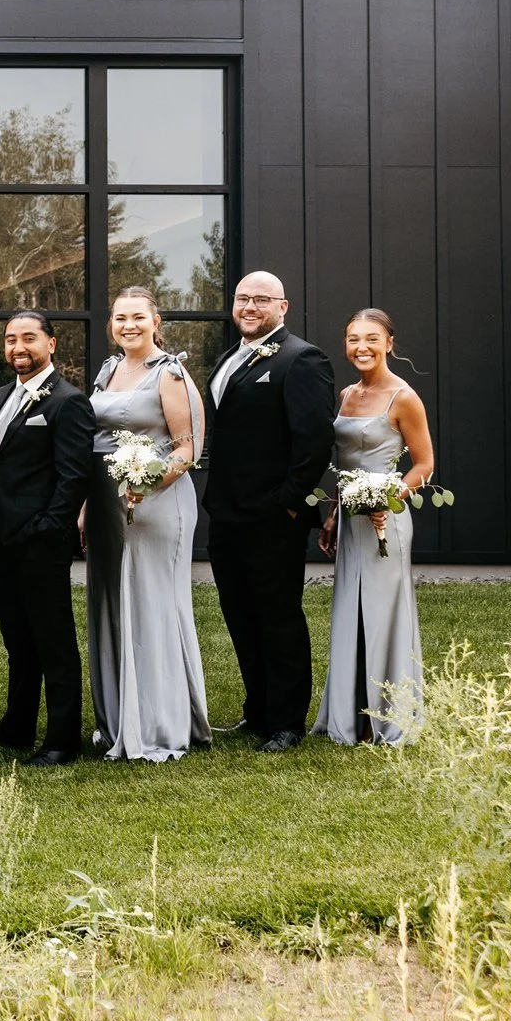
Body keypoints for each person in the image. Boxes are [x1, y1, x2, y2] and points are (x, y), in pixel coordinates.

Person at [203, 271, 335, 754]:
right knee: (240, 614)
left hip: (273, 515)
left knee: (278, 617)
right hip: (226, 513)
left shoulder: (302, 359)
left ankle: (286, 721)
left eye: (261, 299)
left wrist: (289, 503)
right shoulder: (229, 358)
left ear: (283, 307)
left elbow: (314, 439)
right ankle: (257, 709)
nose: (249, 306)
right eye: (243, 298)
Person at [83, 289, 210, 763]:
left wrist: (148, 483)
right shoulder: (108, 370)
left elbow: (187, 448)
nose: (129, 325)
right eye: (120, 318)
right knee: (112, 602)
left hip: (153, 504)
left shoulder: (170, 373)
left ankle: (159, 723)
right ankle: (118, 718)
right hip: (105, 505)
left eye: (138, 317)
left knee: (152, 603)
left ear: (156, 322)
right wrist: (86, 505)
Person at [315, 309, 435, 746]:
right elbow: (345, 464)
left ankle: (386, 714)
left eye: (371, 338)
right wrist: (333, 514)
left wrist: (389, 498)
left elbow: (424, 465)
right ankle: (351, 713)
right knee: (351, 609)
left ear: (389, 343)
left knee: (382, 614)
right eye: (353, 339)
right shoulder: (347, 394)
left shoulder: (404, 397)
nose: (361, 347)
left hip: (387, 520)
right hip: (351, 519)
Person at [0, 312, 94, 767]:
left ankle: (62, 740)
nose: (18, 347)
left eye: (29, 338)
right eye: (11, 339)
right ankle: (18, 726)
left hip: (41, 542)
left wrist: (48, 529)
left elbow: (74, 476)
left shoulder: (68, 401)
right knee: (17, 639)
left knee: (54, 642)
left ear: (51, 343)